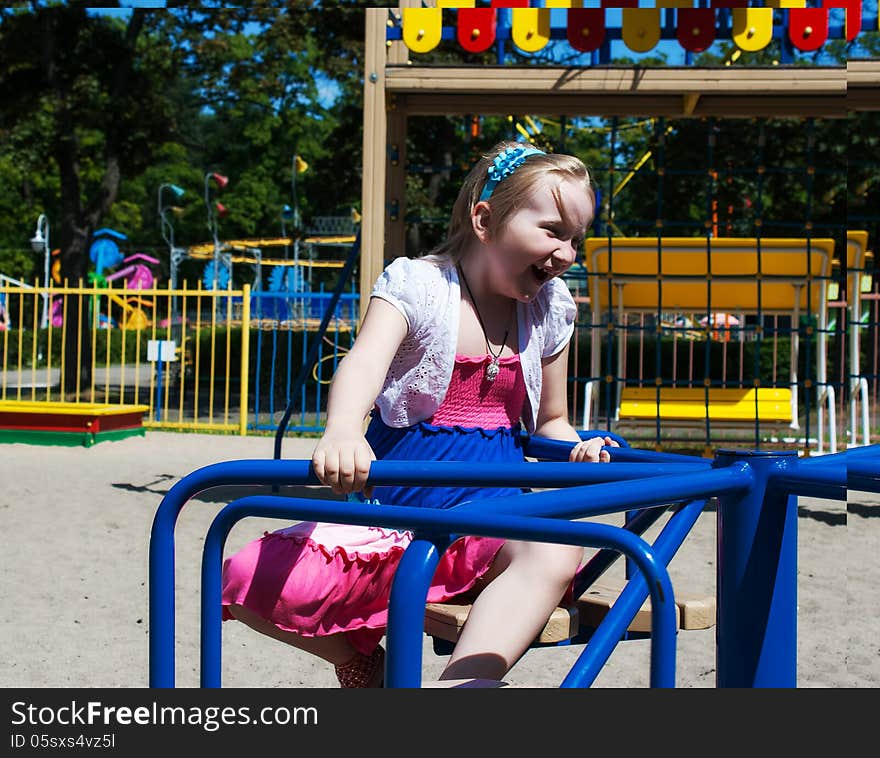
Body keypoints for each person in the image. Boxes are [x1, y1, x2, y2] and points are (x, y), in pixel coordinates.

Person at [222, 140, 618, 687]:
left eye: (577, 237)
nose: (568, 253)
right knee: (244, 577)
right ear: (484, 219)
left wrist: (579, 445)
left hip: (490, 518)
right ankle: (356, 659)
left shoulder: (550, 310)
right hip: (396, 516)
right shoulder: (421, 287)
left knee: (555, 548)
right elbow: (362, 365)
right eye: (553, 230)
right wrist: (342, 430)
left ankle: (463, 688)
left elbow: (551, 420)